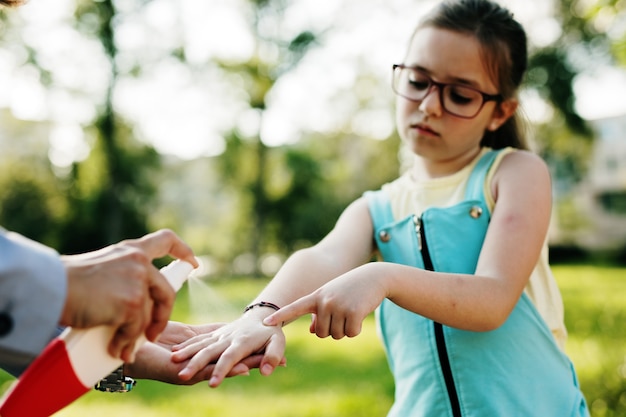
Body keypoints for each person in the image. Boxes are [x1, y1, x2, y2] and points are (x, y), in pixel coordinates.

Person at [169, 0, 591, 415]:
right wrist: (260, 315)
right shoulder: (377, 207)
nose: (429, 105)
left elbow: (493, 299)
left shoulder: (515, 172)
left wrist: (383, 276)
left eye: (460, 95)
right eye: (418, 81)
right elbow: (323, 256)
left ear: (500, 113)